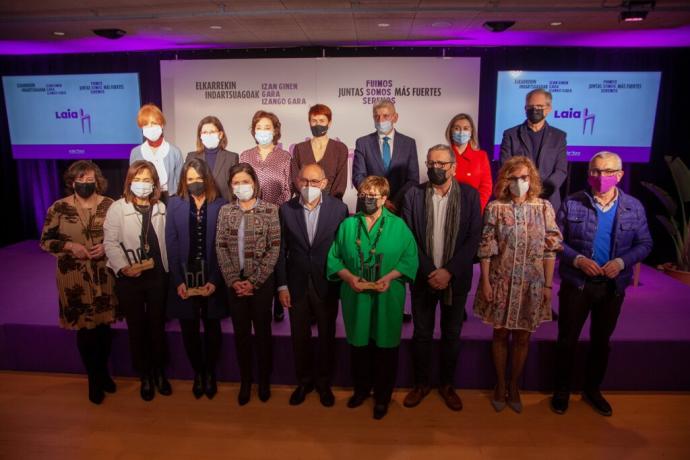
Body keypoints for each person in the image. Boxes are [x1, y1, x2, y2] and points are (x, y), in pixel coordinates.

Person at [551, 151, 652, 417]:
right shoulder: (572, 203)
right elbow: (555, 240)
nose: (601, 177)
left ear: (619, 175)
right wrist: (578, 260)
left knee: (601, 341)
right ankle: (561, 390)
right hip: (577, 283)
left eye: (608, 172)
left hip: (612, 286)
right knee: (566, 339)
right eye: (596, 171)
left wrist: (621, 262)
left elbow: (645, 243)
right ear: (589, 174)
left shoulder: (634, 207)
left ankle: (592, 390)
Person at [473, 156, 562, 413]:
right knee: (499, 333)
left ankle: (515, 385)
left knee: (523, 336)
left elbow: (550, 249)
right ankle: (500, 384)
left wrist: (547, 285)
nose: (519, 183)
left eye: (524, 178)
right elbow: (486, 248)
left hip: (531, 285)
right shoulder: (495, 208)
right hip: (501, 281)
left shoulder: (543, 207)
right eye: (514, 178)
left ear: (531, 179)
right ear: (506, 180)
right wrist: (486, 282)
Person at [326, 176, 418, 420]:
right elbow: (334, 258)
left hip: (387, 295)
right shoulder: (347, 225)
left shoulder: (398, 226)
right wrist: (348, 278)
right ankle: (361, 390)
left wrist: (390, 277)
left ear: (384, 198)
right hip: (356, 295)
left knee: (385, 348)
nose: (367, 200)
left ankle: (383, 396)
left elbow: (410, 259)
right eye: (363, 196)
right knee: (359, 347)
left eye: (373, 196)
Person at [401, 145, 482, 411]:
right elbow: (408, 236)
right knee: (421, 334)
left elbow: (473, 238)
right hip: (423, 278)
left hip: (455, 279)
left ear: (453, 167)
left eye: (442, 163)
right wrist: (428, 271)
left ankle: (447, 385)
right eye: (431, 162)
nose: (436, 167)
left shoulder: (469, 196)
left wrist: (449, 271)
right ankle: (421, 384)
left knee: (451, 334)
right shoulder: (414, 194)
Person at [39, 160, 118, 405]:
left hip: (104, 276)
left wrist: (106, 246)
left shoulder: (109, 205)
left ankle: (104, 372)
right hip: (74, 278)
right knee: (86, 330)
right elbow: (45, 241)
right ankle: (93, 379)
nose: (85, 183)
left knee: (104, 329)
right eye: (80, 180)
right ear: (72, 182)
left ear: (97, 180)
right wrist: (70, 246)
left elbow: (120, 235)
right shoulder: (59, 208)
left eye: (89, 179)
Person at [277, 164, 349, 407]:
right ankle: (304, 381)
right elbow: (281, 250)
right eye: (304, 181)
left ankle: (324, 383)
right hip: (296, 285)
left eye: (314, 182)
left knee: (327, 335)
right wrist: (282, 286)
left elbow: (342, 249)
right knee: (300, 337)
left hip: (326, 283)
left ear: (325, 183)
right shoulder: (286, 210)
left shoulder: (339, 209)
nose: (309, 186)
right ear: (297, 181)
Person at [104, 160, 171, 402]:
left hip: (157, 276)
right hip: (130, 278)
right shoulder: (117, 208)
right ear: (129, 181)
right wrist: (123, 267)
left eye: (147, 179)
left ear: (154, 184)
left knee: (156, 326)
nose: (142, 184)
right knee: (136, 328)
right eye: (138, 179)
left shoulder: (161, 207)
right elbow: (110, 243)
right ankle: (144, 375)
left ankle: (159, 373)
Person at [216, 163, 281, 405]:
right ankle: (246, 381)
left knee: (263, 334)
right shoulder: (225, 212)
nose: (241, 186)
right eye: (236, 183)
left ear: (254, 183)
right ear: (231, 187)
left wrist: (254, 281)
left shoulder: (271, 210)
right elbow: (220, 247)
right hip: (235, 285)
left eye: (245, 182)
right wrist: (234, 280)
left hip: (261, 285)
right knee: (241, 335)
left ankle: (263, 380)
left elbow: (274, 248)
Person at [166, 158, 228, 400]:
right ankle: (198, 373)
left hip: (212, 274)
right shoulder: (174, 204)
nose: (194, 183)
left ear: (208, 179)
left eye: (199, 178)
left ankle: (210, 373)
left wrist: (216, 279)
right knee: (189, 328)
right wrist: (178, 281)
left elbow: (224, 244)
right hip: (184, 276)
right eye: (190, 179)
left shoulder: (221, 204)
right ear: (184, 180)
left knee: (212, 326)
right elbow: (171, 244)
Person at [240, 110, 292, 322]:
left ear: (275, 131)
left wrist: (272, 210)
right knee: (254, 254)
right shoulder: (245, 155)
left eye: (267, 128)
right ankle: (254, 296)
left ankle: (276, 300)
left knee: (275, 256)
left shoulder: (285, 157)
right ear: (253, 131)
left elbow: (288, 189)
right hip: (249, 215)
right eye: (259, 128)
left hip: (276, 214)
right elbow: (240, 184)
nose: (262, 131)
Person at [499, 88, 568, 212]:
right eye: (530, 106)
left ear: (548, 109)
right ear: (525, 109)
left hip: (548, 201)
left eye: (539, 106)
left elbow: (561, 170)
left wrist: (539, 191)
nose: (534, 110)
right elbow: (506, 166)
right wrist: (523, 189)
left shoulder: (559, 136)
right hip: (516, 198)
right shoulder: (510, 134)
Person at [352, 99, 419, 214]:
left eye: (385, 116)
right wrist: (378, 199)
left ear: (395, 117)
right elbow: (358, 176)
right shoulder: (362, 143)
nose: (380, 120)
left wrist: (393, 201)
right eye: (376, 116)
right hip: (369, 207)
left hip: (399, 208)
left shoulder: (409, 143)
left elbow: (412, 179)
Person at [290, 104, 349, 200]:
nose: (318, 124)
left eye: (322, 121)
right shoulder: (299, 149)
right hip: (304, 203)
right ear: (309, 122)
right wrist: (306, 200)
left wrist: (331, 204)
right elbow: (296, 179)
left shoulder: (340, 149)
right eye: (314, 121)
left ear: (329, 123)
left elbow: (340, 183)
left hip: (332, 204)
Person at [129, 103, 184, 202]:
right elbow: (133, 181)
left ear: (161, 125)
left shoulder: (174, 152)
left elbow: (181, 184)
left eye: (154, 123)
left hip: (170, 199)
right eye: (146, 124)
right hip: (145, 199)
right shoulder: (136, 153)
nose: (150, 128)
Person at [445, 113, 493, 212]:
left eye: (466, 128)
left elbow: (486, 187)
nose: (461, 132)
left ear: (471, 132)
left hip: (473, 211)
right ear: (450, 131)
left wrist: (476, 208)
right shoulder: (443, 155)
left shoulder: (481, 156)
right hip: (447, 210)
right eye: (457, 128)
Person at [186, 115, 239, 201]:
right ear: (200, 135)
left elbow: (234, 189)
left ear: (220, 134)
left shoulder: (232, 158)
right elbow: (186, 186)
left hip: (224, 208)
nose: (208, 135)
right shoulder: (191, 157)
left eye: (212, 132)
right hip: (199, 207)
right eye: (205, 132)